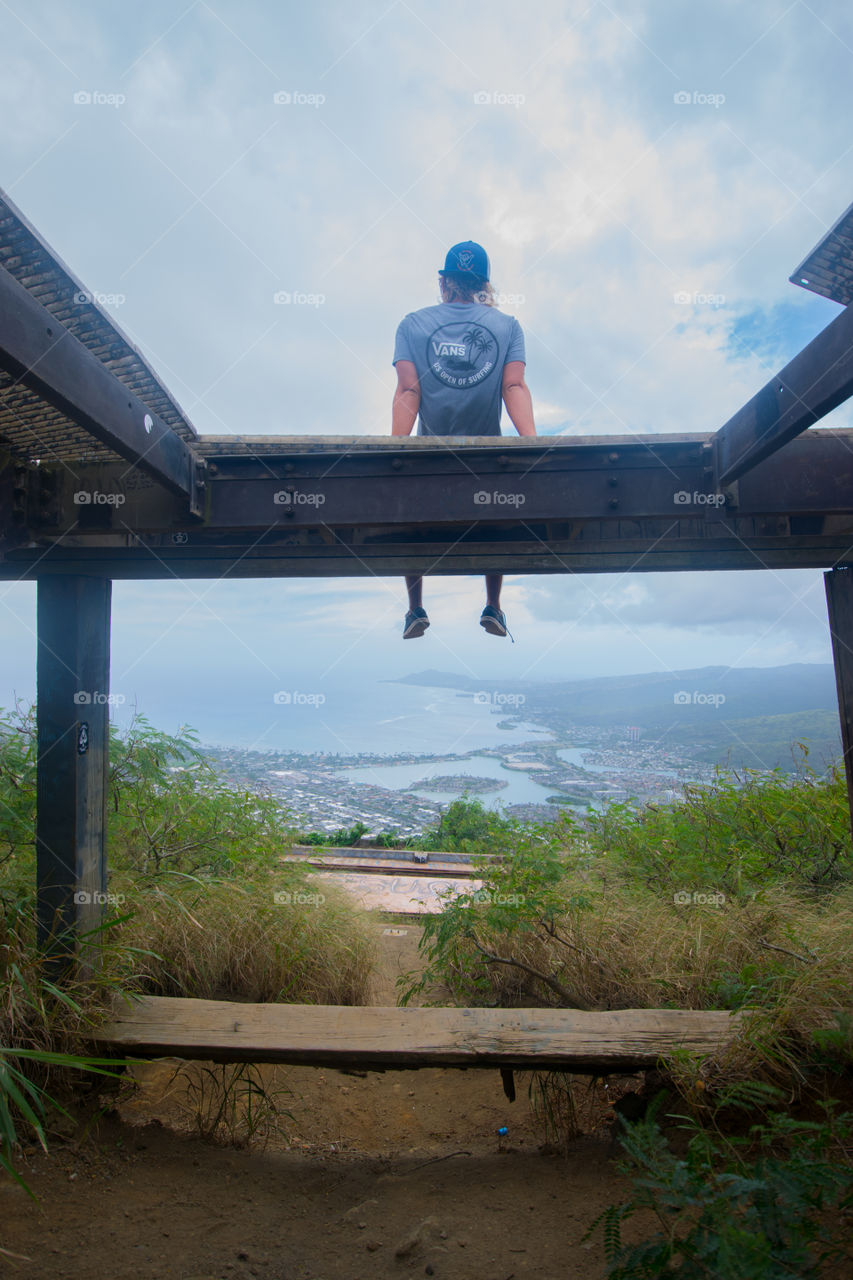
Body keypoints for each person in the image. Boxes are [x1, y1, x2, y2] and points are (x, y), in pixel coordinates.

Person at [391, 240, 536, 640]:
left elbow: (408, 391)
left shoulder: (411, 324)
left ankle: (415, 609)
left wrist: (395, 453)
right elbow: (514, 386)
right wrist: (533, 444)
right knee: (497, 517)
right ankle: (494, 605)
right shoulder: (508, 326)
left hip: (428, 464)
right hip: (487, 464)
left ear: (443, 282)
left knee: (411, 522)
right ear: (483, 286)